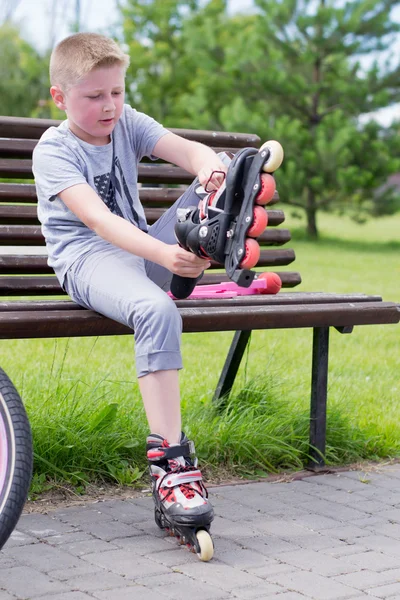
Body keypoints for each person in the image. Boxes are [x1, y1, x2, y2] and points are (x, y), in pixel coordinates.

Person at [32, 32, 227, 544]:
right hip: (90, 259)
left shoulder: (128, 120)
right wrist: (166, 254)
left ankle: (202, 247)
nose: (109, 106)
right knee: (157, 311)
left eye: (116, 92)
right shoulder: (54, 150)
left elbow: (185, 150)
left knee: (223, 182)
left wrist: (209, 168)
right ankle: (171, 463)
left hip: (141, 254)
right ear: (59, 97)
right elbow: (97, 222)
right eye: (94, 96)